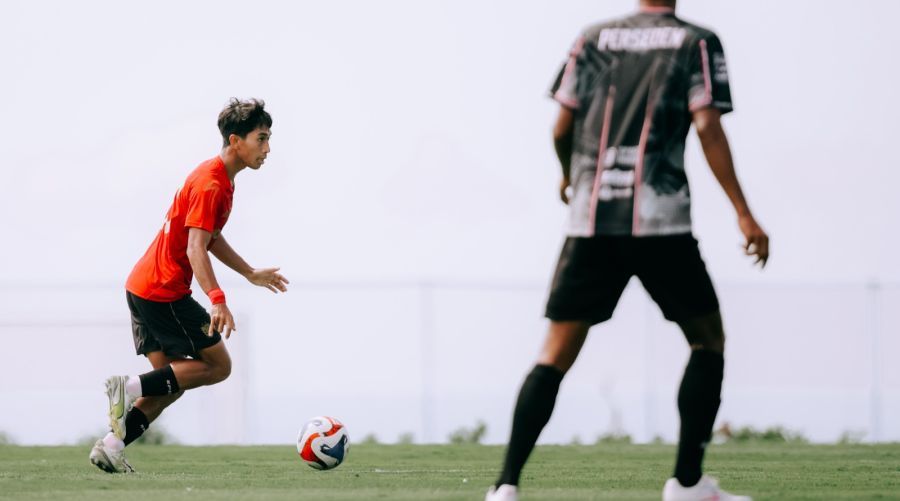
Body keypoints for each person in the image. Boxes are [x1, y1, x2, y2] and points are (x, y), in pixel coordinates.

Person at [486, 1, 767, 500]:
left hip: (592, 224)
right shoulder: (696, 40)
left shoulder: (592, 37)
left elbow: (559, 127)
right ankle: (686, 484)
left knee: (553, 356)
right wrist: (743, 212)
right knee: (708, 342)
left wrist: (571, 174)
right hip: (661, 224)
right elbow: (706, 125)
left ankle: (505, 488)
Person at [89, 98, 289, 473]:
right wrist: (217, 299)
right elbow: (196, 247)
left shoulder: (219, 179)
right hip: (161, 291)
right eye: (261, 139)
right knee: (218, 365)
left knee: (169, 383)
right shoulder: (212, 184)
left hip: (142, 286)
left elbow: (209, 237)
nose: (267, 149)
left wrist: (248, 272)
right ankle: (126, 387)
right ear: (235, 140)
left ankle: (111, 445)